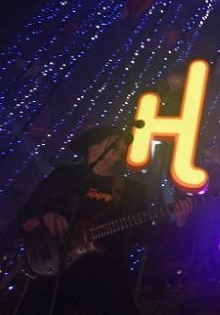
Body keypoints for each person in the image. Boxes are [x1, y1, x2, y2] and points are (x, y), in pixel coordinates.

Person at [12, 124, 193, 314]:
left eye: (125, 146)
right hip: (55, 266)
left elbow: (143, 234)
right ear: (94, 149)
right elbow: (27, 212)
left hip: (105, 275)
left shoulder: (132, 190)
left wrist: (177, 224)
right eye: (116, 145)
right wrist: (45, 216)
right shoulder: (66, 176)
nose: (123, 149)